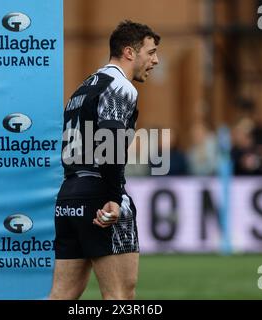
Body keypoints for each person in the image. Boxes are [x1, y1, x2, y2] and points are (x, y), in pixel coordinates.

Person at [49, 20, 160, 300]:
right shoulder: (121, 87)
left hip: (69, 197)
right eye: (151, 52)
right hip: (100, 197)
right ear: (129, 52)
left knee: (63, 294)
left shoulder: (82, 89)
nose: (156, 60)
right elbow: (109, 140)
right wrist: (113, 196)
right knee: (120, 296)